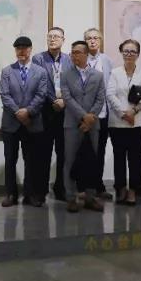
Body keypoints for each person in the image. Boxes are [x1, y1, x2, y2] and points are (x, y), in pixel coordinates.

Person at [0, 36, 50, 207]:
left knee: (32, 161)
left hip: (32, 122)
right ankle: (10, 194)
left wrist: (28, 111)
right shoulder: (7, 71)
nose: (21, 51)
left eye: (25, 48)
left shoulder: (41, 72)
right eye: (18, 48)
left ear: (30, 49)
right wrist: (18, 112)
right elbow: (5, 95)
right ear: (15, 50)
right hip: (11, 124)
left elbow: (41, 95)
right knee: (10, 160)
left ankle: (31, 194)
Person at [60, 41, 106, 212]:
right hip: (72, 124)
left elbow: (100, 98)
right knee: (70, 160)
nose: (74, 56)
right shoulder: (65, 74)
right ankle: (71, 197)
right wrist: (83, 116)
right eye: (72, 52)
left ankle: (90, 197)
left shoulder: (98, 75)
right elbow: (67, 98)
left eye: (78, 52)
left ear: (86, 54)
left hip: (92, 125)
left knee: (91, 160)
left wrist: (90, 118)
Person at [107, 39, 141, 205]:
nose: (129, 54)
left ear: (138, 54)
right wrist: (123, 113)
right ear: (121, 52)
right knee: (119, 157)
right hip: (117, 122)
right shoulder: (114, 73)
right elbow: (110, 94)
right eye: (126, 51)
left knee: (135, 157)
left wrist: (133, 111)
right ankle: (120, 189)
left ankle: (133, 189)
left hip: (136, 122)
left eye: (133, 51)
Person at [32, 27, 73, 201]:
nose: (52, 39)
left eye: (56, 36)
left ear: (63, 40)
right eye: (50, 36)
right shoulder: (38, 58)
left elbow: (73, 83)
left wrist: (64, 100)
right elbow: (40, 83)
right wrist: (54, 100)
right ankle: (41, 191)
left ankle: (60, 188)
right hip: (45, 112)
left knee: (63, 152)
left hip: (66, 112)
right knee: (43, 152)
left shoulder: (69, 59)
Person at [83, 28, 114, 199]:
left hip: (102, 114)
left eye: (96, 38)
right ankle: (84, 187)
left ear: (100, 41)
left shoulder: (107, 61)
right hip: (84, 114)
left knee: (100, 151)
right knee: (84, 151)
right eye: (89, 38)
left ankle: (98, 186)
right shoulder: (79, 59)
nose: (92, 41)